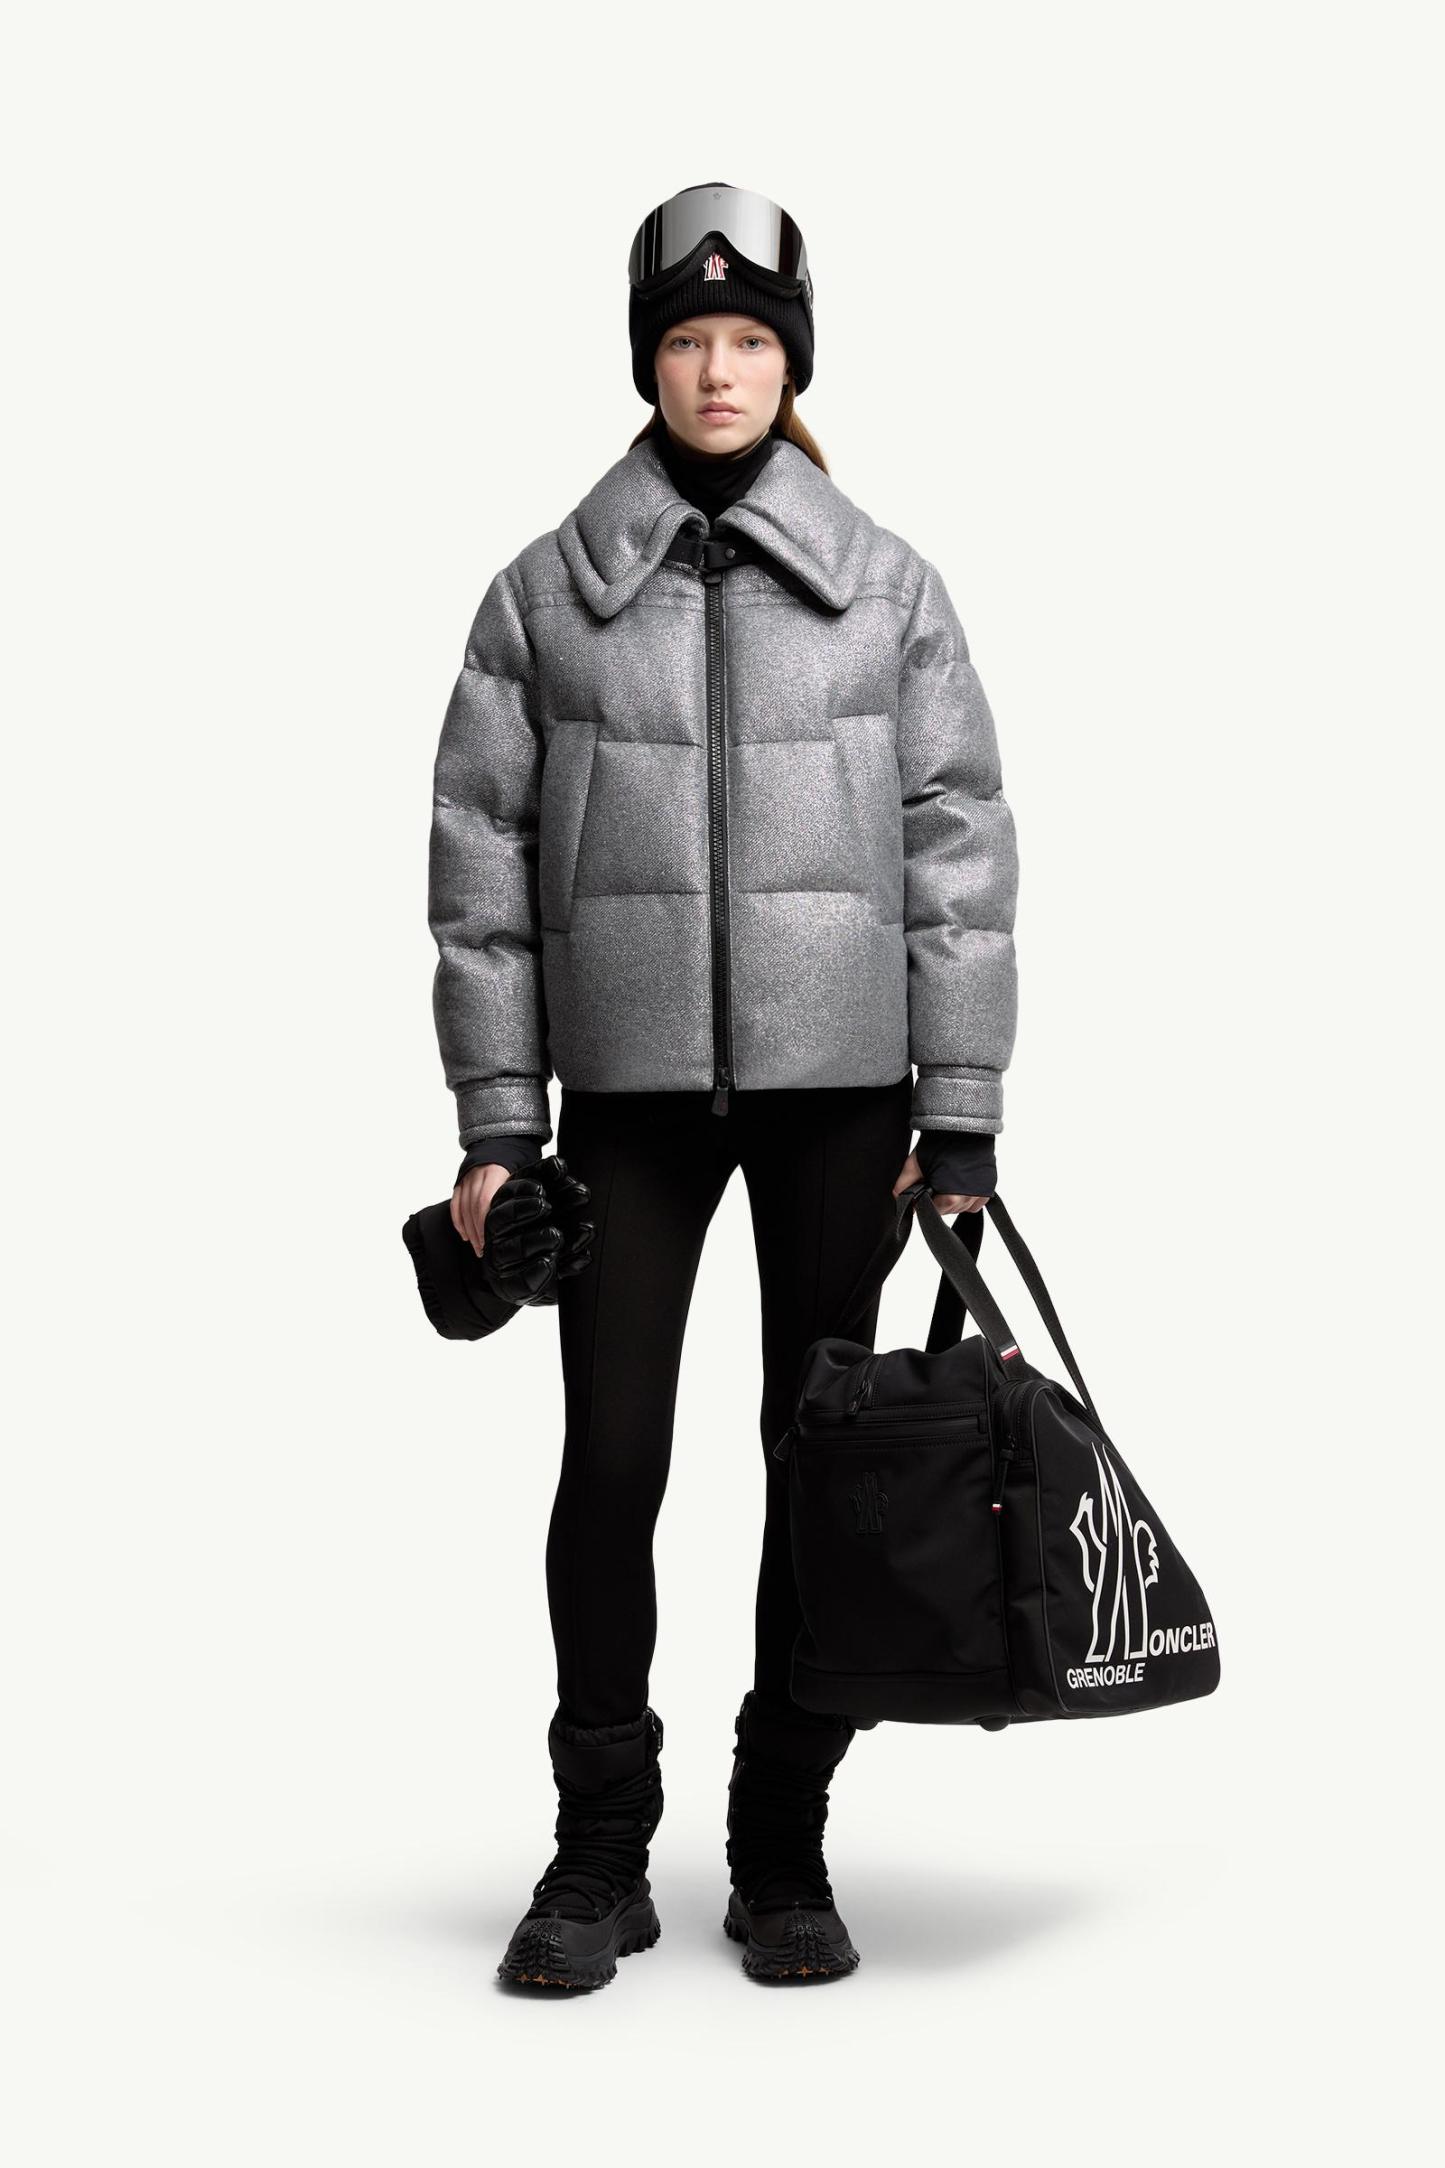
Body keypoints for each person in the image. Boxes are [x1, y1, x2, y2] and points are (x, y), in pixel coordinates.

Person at [425, 181, 1020, 1990]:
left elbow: (958, 854)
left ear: (791, 362)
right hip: (619, 1108)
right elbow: (478, 869)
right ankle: (599, 1848)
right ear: (646, 360)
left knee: (812, 1465)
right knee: (611, 1464)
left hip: (843, 1101)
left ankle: (780, 1848)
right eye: (685, 338)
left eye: (749, 338)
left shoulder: (887, 591)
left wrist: (959, 1110)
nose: (715, 370)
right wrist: (494, 1128)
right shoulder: (544, 596)